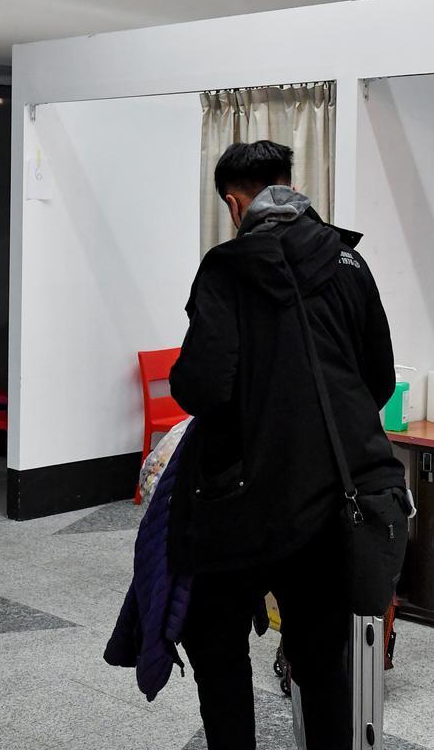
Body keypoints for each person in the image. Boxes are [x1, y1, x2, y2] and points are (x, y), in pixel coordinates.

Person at [168, 140, 406, 749]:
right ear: (291, 188)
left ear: (233, 201)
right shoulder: (350, 264)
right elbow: (377, 376)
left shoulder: (226, 267)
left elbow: (203, 387)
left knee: (215, 639)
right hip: (332, 498)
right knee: (322, 655)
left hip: (241, 502)